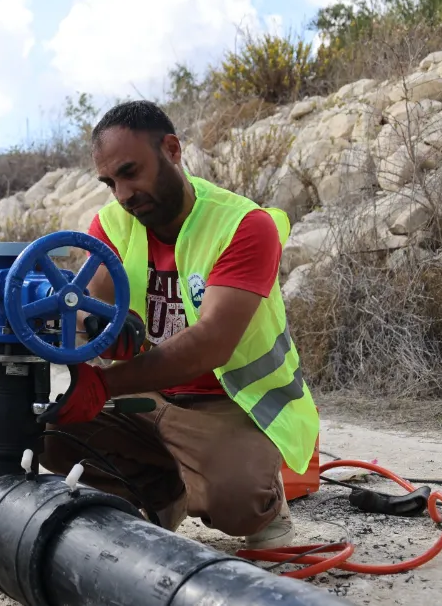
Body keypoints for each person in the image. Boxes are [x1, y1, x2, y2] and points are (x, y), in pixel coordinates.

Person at [37, 100, 320, 550]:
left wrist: (105, 386)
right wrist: (98, 320)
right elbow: (89, 309)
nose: (123, 194)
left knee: (237, 499)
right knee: (48, 433)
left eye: (131, 172)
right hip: (149, 398)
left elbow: (211, 343)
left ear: (171, 150)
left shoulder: (244, 225)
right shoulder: (112, 224)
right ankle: (160, 496)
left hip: (231, 402)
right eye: (110, 182)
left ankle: (267, 500)